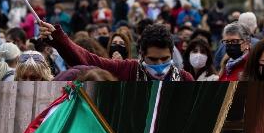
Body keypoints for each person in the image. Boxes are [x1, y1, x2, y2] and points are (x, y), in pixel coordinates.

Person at [44, 21, 194, 81]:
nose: (160, 65)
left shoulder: (185, 79)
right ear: (141, 55)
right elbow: (88, 60)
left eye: (165, 59)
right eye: (153, 60)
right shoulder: (127, 69)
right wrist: (59, 39)